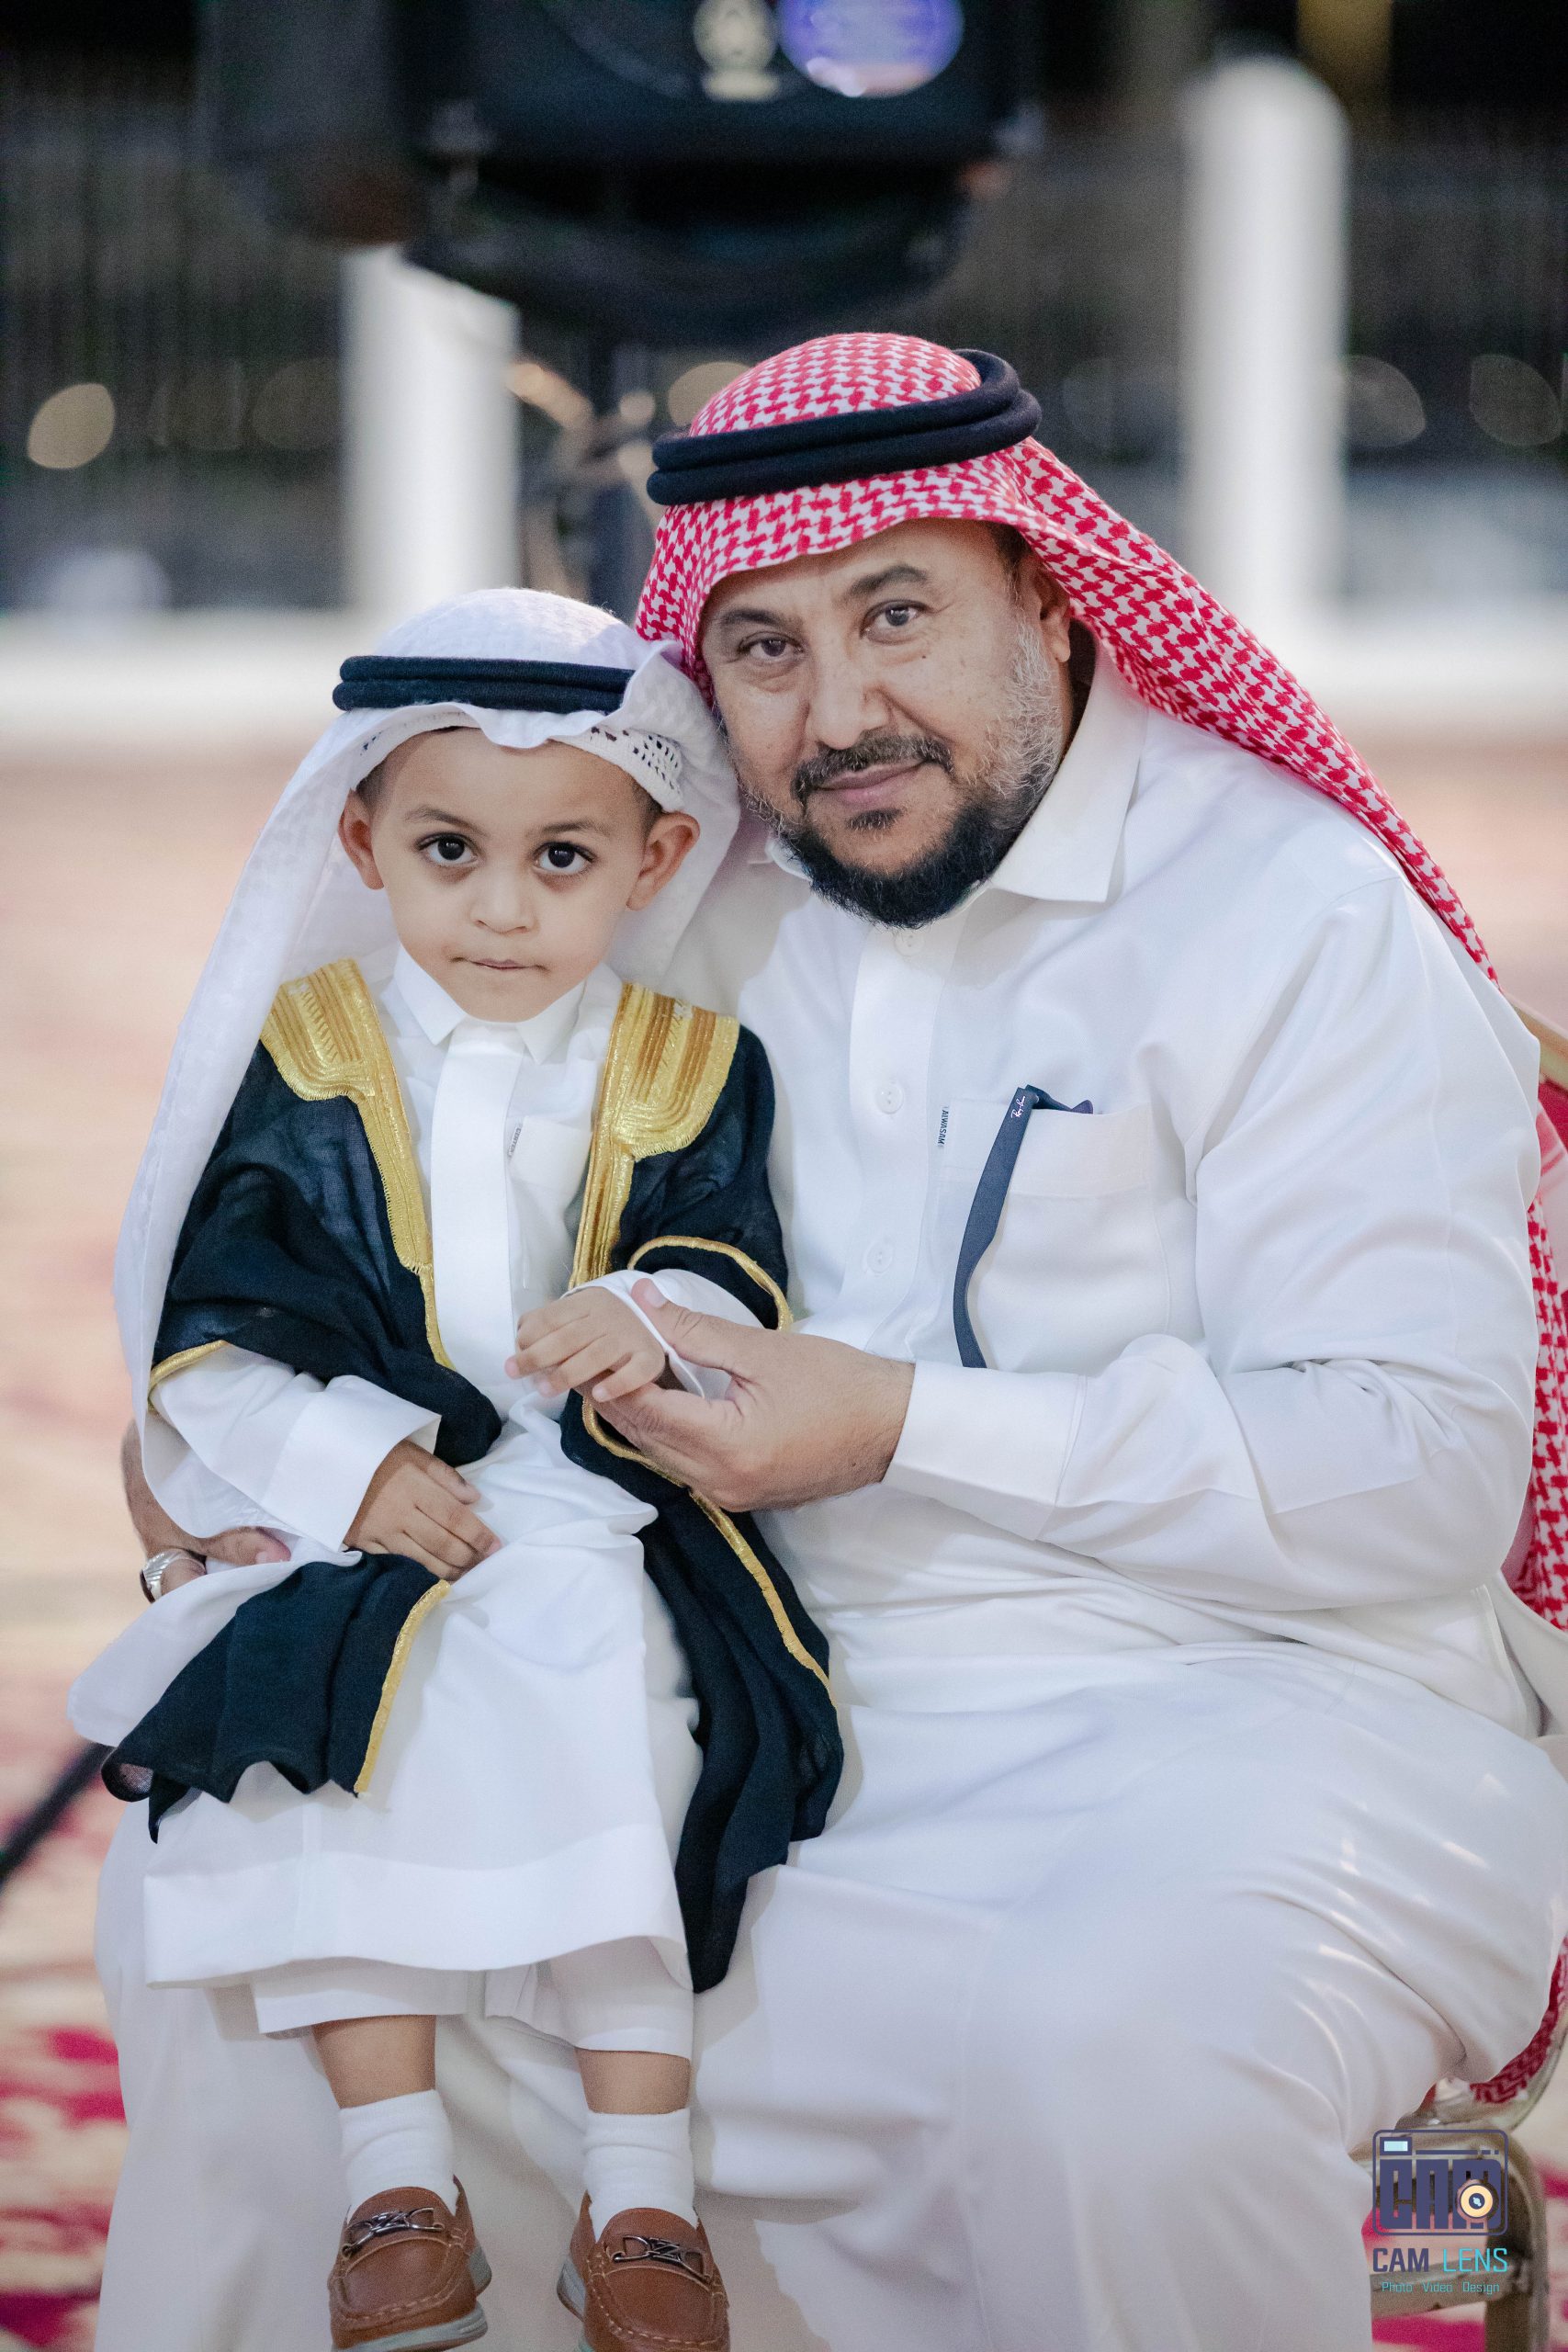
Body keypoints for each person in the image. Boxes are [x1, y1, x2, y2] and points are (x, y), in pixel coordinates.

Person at [102, 335, 1568, 2352]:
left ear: (1046, 598)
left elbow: (1415, 1477)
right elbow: (404, 1254)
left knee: (1115, 2063)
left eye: (897, 616)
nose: (838, 713)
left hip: (1266, 1712)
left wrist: (896, 1425)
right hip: (766, 1696)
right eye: (765, 650)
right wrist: (249, 1456)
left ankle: (1380, 2206)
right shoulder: (677, 902)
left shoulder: (1288, 913)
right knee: (259, 1917)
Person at [72, 587, 842, 2352]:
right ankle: (394, 2186)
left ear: (654, 861)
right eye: (449, 852)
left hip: (600, 1499)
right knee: (323, 1742)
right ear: (363, 845)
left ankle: (640, 2201)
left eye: (562, 859)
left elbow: (733, 1268)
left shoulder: (689, 1061)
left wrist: (642, 1319)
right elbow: (215, 1320)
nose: (502, 908)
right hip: (349, 1509)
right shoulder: (304, 1054)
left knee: (624, 1700)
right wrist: (353, 1472)